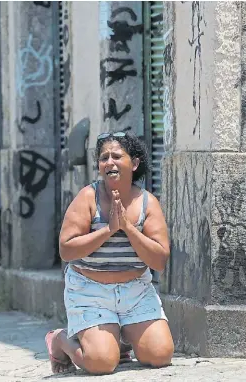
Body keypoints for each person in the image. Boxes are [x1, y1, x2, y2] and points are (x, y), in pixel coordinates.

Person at [45, 131, 174, 375]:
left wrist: (127, 228)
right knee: (101, 364)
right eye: (104, 158)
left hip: (135, 291)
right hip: (90, 291)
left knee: (160, 355)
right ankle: (61, 340)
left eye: (117, 156)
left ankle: (120, 339)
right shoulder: (88, 197)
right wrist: (108, 229)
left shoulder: (147, 202)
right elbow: (66, 250)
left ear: (134, 164)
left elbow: (159, 260)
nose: (109, 162)